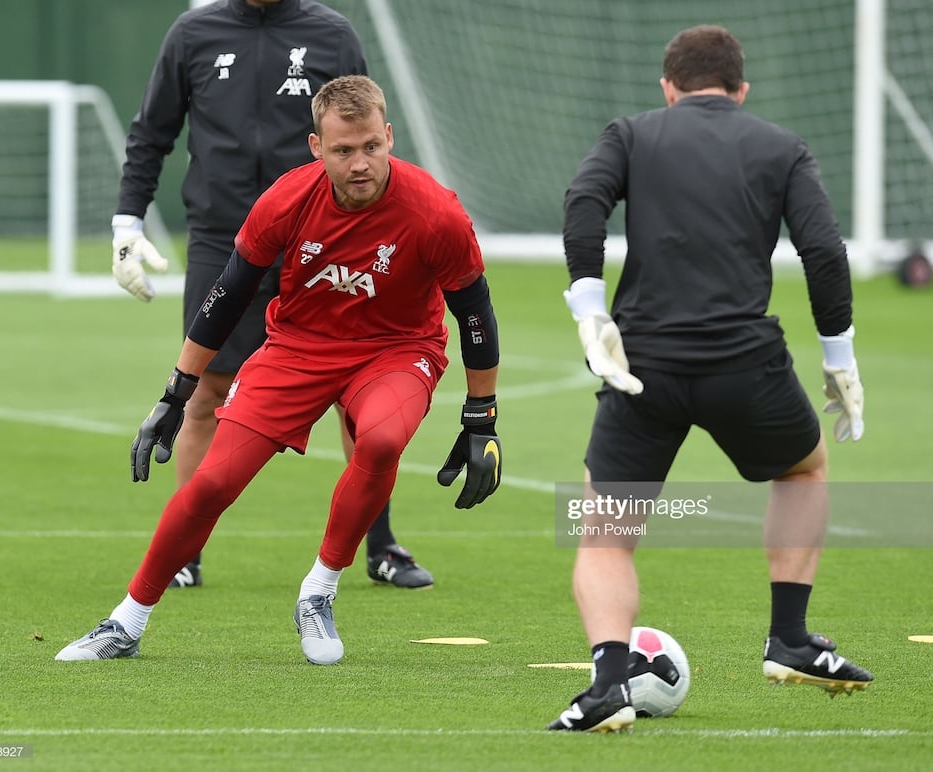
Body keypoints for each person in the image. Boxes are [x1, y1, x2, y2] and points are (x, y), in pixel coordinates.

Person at [57, 75, 503, 666]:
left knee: (383, 438)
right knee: (213, 482)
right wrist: (175, 391)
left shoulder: (436, 212)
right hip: (298, 348)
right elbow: (227, 294)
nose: (361, 162)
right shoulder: (287, 200)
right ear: (317, 148)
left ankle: (318, 591)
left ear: (389, 136)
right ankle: (127, 621)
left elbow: (474, 310)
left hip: (398, 349)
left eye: (371, 145)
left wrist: (481, 418)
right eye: (344, 150)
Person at [548, 25, 871, 733]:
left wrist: (590, 312)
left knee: (604, 531)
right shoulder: (780, 146)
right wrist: (839, 358)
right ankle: (789, 638)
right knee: (805, 467)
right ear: (740, 90)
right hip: (742, 362)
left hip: (646, 367)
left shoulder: (632, 133)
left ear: (668, 88)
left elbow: (582, 203)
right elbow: (822, 249)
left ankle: (607, 683)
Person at [111, 0, 432, 591]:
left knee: (357, 390)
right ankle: (185, 552)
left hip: (326, 235)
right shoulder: (193, 33)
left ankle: (380, 546)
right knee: (208, 387)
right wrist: (127, 222)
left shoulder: (331, 33)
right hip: (222, 236)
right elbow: (153, 131)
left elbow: (364, 136)